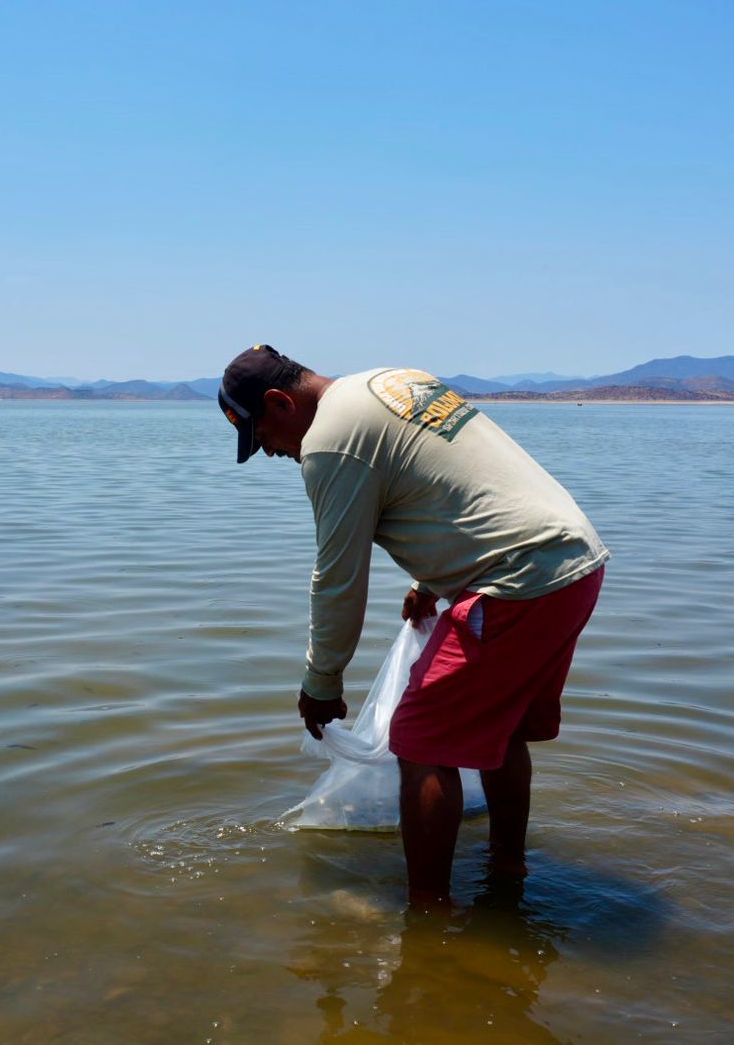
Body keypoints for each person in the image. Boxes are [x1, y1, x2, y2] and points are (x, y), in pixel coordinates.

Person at [218, 345, 608, 905]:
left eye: (264, 439)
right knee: (504, 729)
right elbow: (459, 482)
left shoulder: (330, 443)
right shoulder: (391, 381)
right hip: (572, 561)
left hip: (516, 581)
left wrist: (321, 683)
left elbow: (337, 579)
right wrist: (429, 584)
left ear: (280, 403)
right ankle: (507, 871)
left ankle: (427, 917)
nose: (274, 453)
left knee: (422, 742)